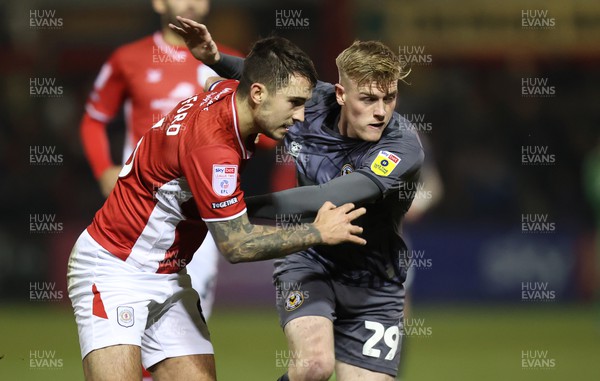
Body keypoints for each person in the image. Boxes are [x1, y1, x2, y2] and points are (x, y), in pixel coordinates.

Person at [67, 35, 367, 381]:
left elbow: (218, 80)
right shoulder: (213, 149)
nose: (300, 115)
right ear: (257, 94)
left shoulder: (227, 95)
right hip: (115, 268)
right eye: (295, 102)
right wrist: (318, 231)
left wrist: (213, 58)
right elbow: (236, 245)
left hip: (168, 278)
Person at [172, 18, 424, 381]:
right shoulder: (311, 101)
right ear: (340, 94)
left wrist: (232, 207)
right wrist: (213, 57)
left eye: (390, 97)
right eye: (368, 99)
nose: (381, 111)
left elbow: (328, 196)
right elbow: (262, 78)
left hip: (375, 282)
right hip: (310, 258)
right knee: (314, 366)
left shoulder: (401, 147)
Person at [79, 0, 245, 323]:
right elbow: (93, 120)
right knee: (132, 320)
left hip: (204, 211)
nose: (191, 2)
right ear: (158, 3)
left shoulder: (229, 63)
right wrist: (103, 170)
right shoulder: (128, 59)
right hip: (140, 208)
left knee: (188, 325)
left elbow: (264, 131)